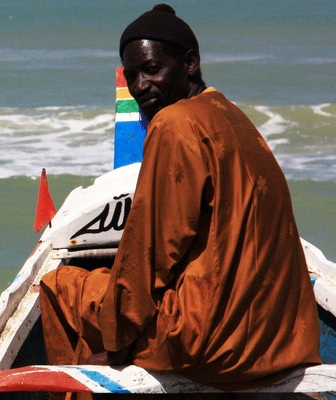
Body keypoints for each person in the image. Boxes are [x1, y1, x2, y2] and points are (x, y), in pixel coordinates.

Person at [38, 3, 321, 392]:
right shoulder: (235, 118)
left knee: (60, 287)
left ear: (190, 63)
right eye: (132, 75)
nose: (140, 87)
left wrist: (119, 348)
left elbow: (149, 255)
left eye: (152, 70)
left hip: (214, 344)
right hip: (283, 340)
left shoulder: (174, 123)